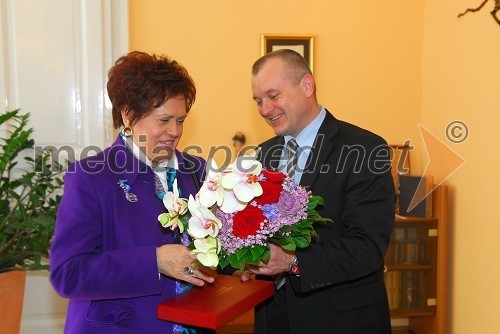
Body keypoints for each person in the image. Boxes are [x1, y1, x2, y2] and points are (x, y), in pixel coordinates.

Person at [50, 51, 216, 333]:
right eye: (163, 120)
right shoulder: (91, 177)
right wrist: (154, 261)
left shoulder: (195, 169)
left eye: (181, 120)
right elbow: (69, 273)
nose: (175, 131)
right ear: (128, 115)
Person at [248, 49, 395, 333]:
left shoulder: (365, 149)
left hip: (341, 320)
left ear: (307, 85)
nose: (265, 109)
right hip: (273, 318)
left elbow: (368, 246)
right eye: (258, 100)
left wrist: (292, 262)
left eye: (273, 95)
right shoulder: (261, 155)